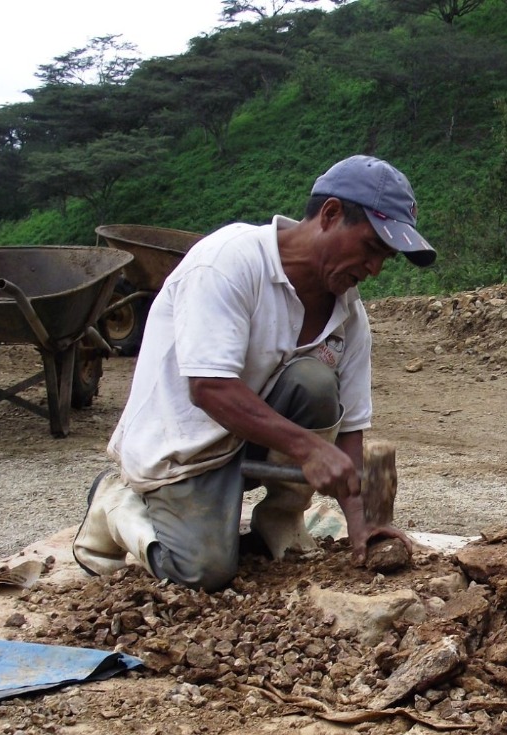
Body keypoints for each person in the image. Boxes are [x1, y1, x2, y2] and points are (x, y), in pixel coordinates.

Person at [73, 155, 435, 591]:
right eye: (371, 248)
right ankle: (114, 504)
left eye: (386, 258)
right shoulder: (229, 262)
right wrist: (308, 448)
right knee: (203, 572)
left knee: (317, 381)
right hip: (182, 446)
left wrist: (361, 522)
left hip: (251, 441)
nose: (375, 268)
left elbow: (352, 426)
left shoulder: (349, 315)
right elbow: (208, 389)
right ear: (331, 214)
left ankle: (279, 519)